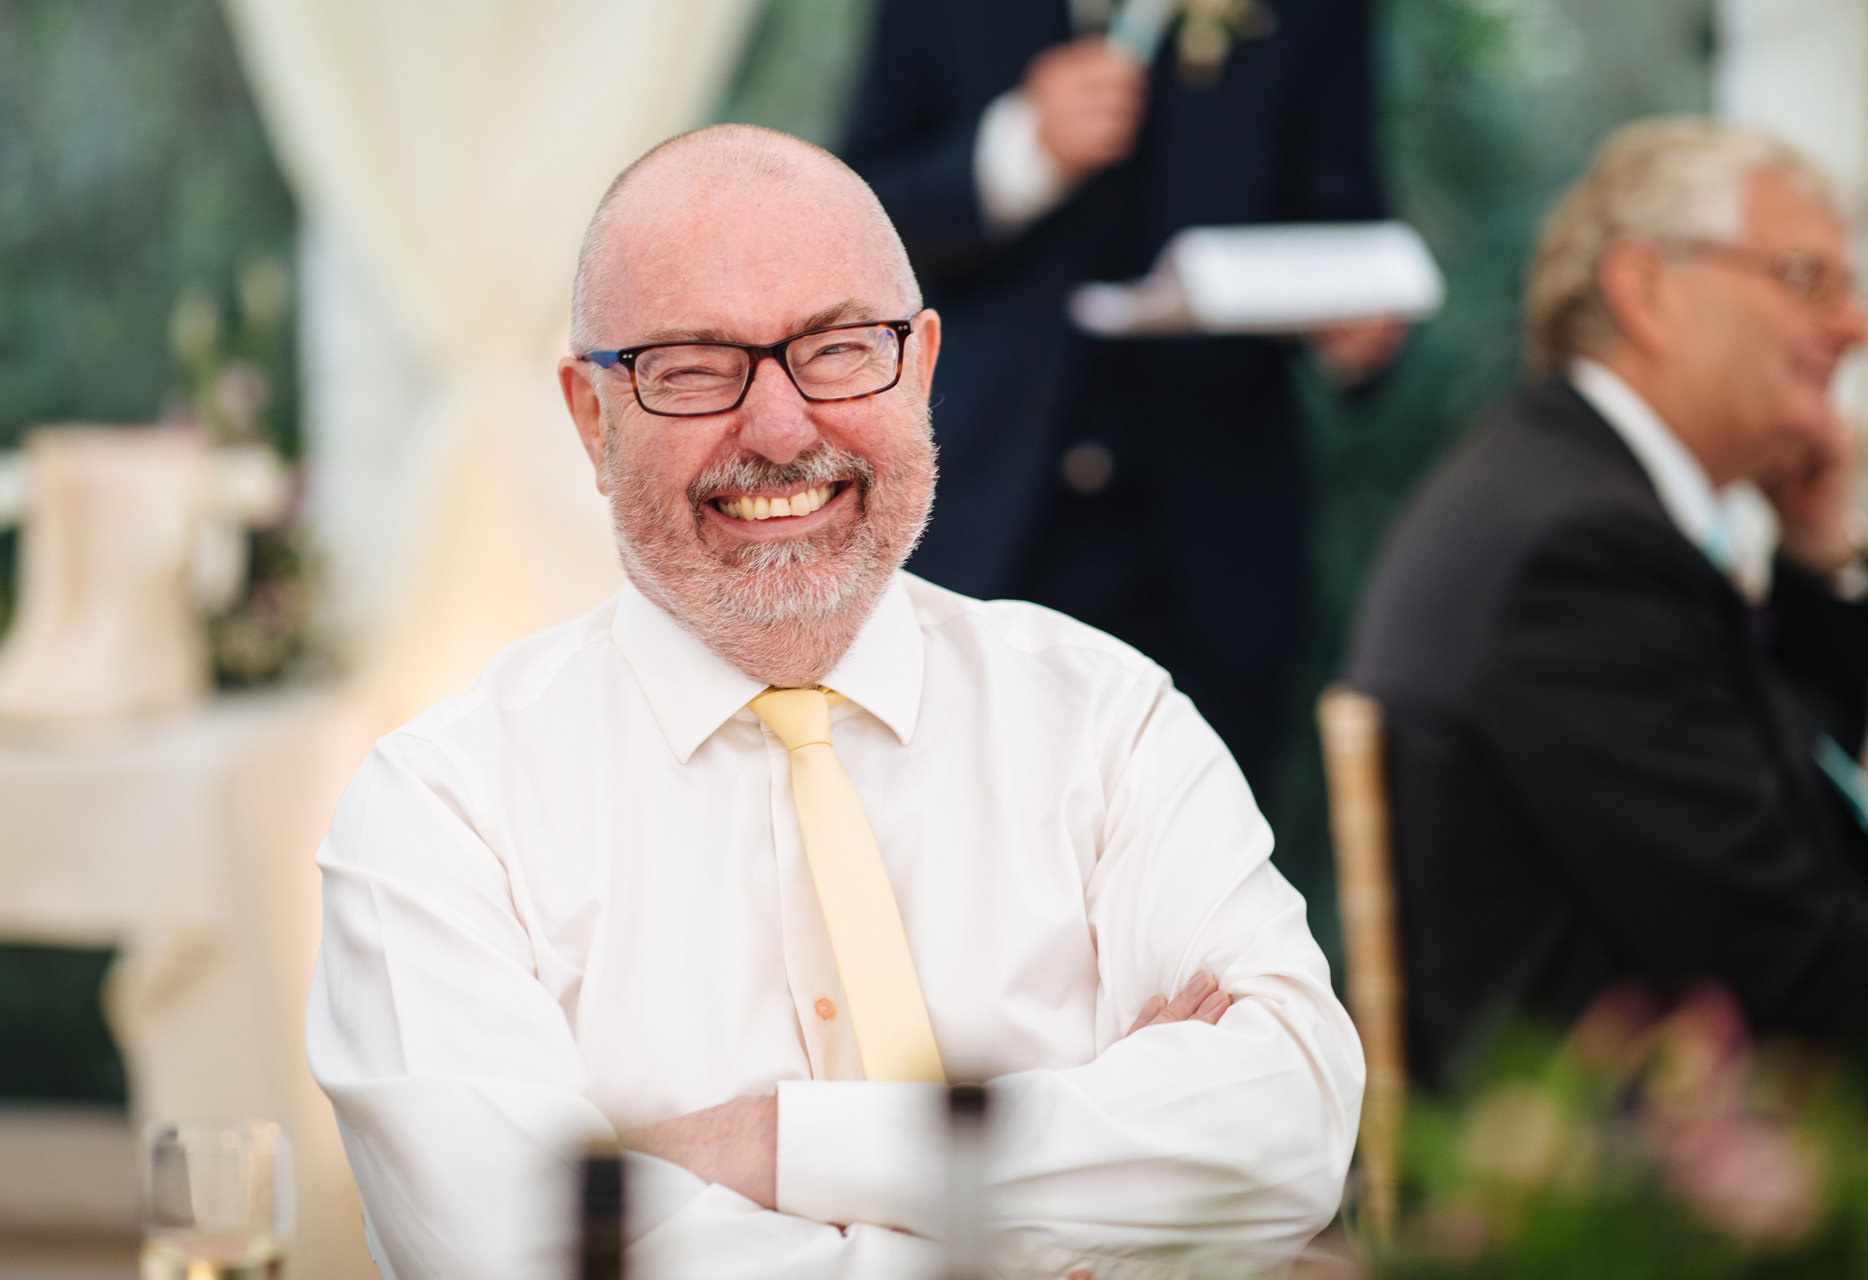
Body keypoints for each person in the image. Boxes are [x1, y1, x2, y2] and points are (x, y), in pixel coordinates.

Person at [307, 125, 1362, 1279]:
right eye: (693, 366)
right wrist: (1074, 1196)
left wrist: (759, 1145)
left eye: (840, 348)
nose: (777, 429)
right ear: (589, 416)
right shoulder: (439, 815)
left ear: (920, 367)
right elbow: (523, 1253)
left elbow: (1289, 1123)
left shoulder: (1109, 722)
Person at [1345, 118, 1868, 1090]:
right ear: (1645, 289)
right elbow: (1786, 964)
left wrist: (1807, 562)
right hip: (1598, 1198)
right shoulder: (1580, 550)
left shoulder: (1560, 487)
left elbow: (1792, 827)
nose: (1850, 326)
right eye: (1805, 280)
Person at [841, 0, 1405, 786]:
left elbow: (1344, 213)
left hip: (1207, 553)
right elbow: (852, 222)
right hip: (970, 524)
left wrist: (1359, 324)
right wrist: (1017, 153)